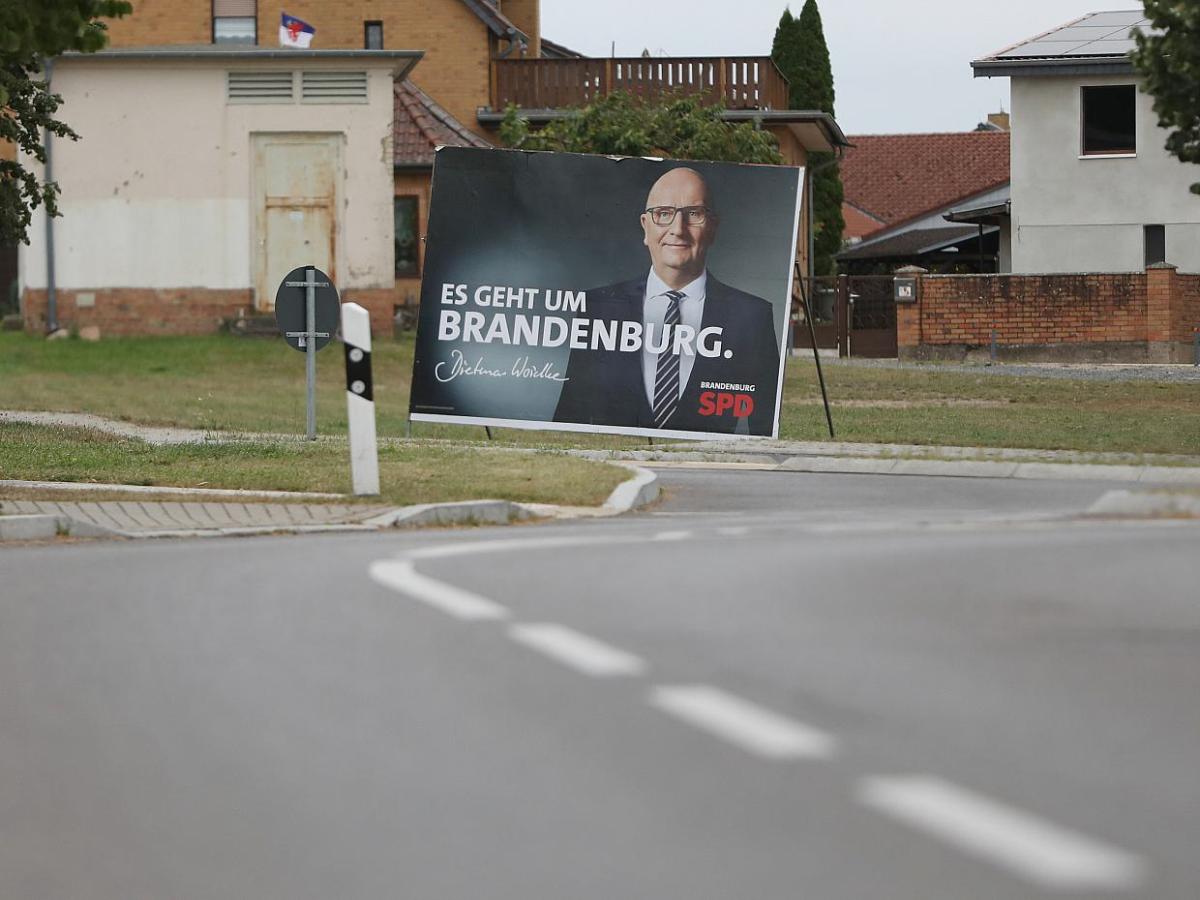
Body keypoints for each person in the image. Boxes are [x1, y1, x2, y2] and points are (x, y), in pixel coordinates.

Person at [553, 166, 782, 435]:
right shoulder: (597, 308)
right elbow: (567, 422)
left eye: (693, 214)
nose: (678, 229)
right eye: (663, 214)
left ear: (713, 228)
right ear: (645, 226)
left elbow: (766, 430)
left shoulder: (752, 317)